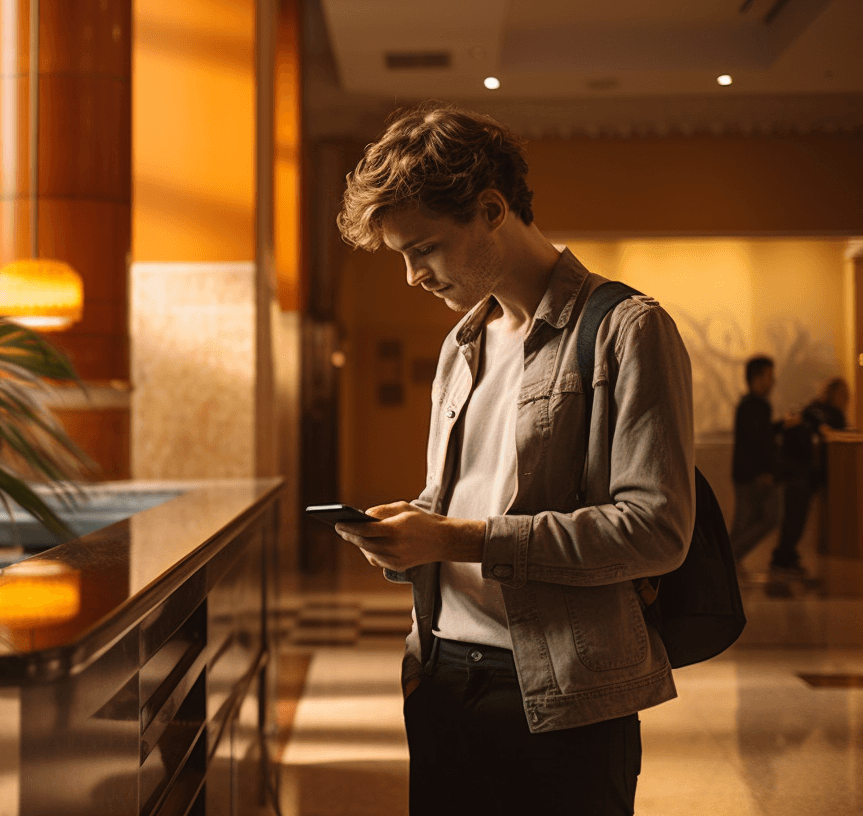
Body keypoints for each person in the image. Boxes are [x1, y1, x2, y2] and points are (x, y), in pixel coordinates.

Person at [333, 103, 694, 816]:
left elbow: (656, 531)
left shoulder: (626, 330)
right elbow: (455, 497)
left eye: (424, 249)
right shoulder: (461, 344)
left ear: (492, 210)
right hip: (441, 676)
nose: (411, 276)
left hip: (564, 696)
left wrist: (457, 539)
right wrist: (412, 531)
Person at [770, 377, 850, 593]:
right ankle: (783, 558)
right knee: (795, 519)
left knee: (795, 518)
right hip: (802, 474)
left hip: (801, 474)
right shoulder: (824, 414)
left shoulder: (812, 411)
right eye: (843, 394)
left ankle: (786, 556)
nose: (845, 399)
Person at [729, 356, 789, 568]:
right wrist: (765, 472)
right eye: (769, 376)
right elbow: (757, 442)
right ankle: (728, 559)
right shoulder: (755, 406)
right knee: (768, 518)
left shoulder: (751, 406)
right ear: (757, 378)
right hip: (755, 475)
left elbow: (760, 436)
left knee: (745, 523)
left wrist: (781, 426)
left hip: (747, 474)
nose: (773, 381)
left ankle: (727, 561)